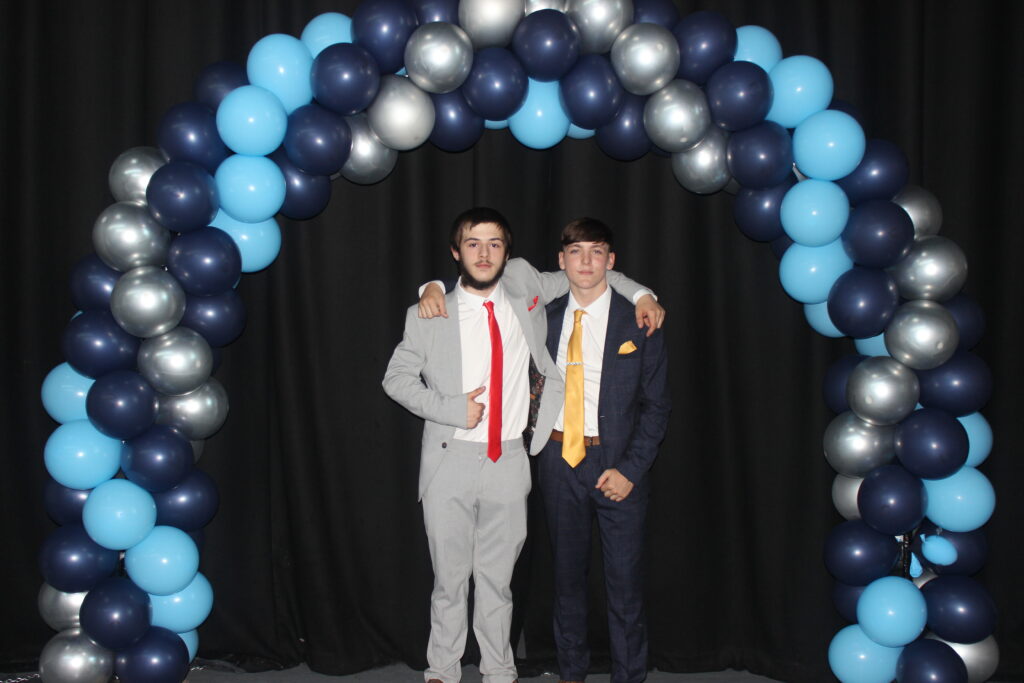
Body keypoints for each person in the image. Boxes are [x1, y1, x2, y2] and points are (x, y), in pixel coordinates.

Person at [383, 208, 663, 683]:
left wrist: (642, 293)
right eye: (473, 244)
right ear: (455, 252)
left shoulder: (524, 285)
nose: (484, 253)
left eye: (494, 244)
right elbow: (395, 379)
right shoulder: (428, 313)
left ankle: (498, 670)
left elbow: (590, 271)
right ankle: (442, 669)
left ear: (507, 253)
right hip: (449, 462)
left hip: (511, 460)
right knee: (449, 581)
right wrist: (449, 408)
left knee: (498, 581)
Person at [538, 217, 670, 683]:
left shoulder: (640, 320)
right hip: (558, 460)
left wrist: (630, 470)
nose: (586, 261)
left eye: (596, 252)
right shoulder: (543, 318)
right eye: (576, 252)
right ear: (562, 261)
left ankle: (628, 677)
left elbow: (657, 406)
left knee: (625, 587)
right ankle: (571, 673)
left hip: (619, 467)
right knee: (566, 583)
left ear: (611, 261)